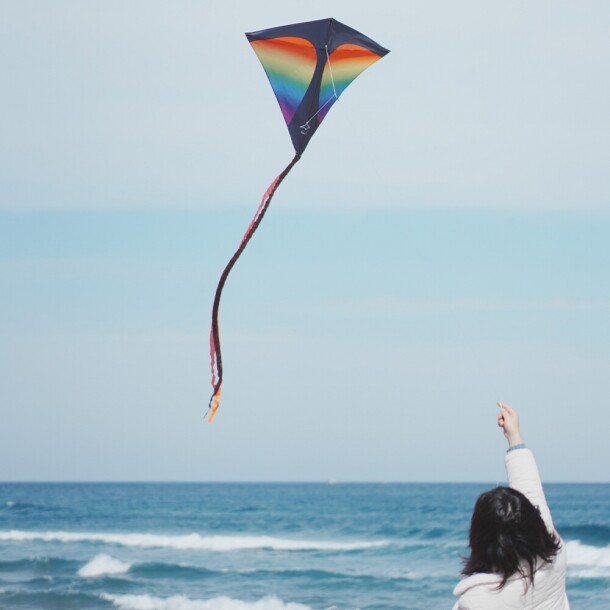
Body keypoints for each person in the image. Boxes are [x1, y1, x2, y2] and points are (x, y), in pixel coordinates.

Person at [452, 401, 569, 609]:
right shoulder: (554, 559)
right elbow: (532, 491)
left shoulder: (477, 600)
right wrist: (514, 436)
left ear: (480, 539)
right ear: (533, 523)